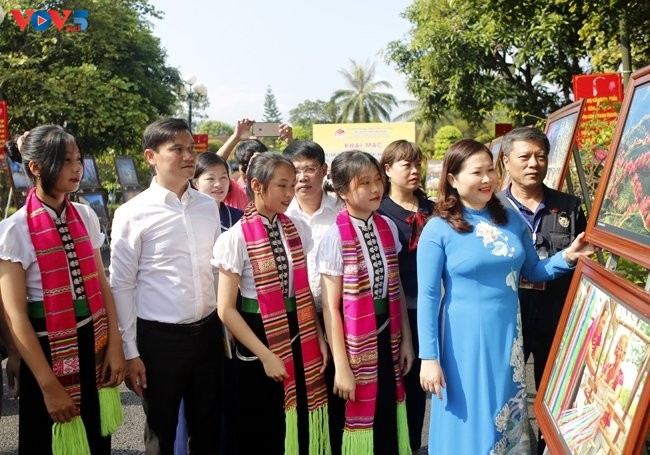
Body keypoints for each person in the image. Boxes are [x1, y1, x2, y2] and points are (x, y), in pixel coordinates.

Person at [417, 139, 596, 454]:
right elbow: (429, 297)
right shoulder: (438, 228)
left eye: (490, 170)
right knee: (470, 414)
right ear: (452, 179)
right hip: (462, 340)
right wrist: (429, 358)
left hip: (508, 335)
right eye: (477, 172)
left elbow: (533, 271)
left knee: (504, 406)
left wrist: (568, 256)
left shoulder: (510, 219)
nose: (487, 179)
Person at [0, 126, 125, 453]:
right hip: (44, 351)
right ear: (35, 167)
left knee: (97, 440)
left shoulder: (85, 215)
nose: (76, 168)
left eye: (78, 159)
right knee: (47, 441)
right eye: (65, 160)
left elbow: (102, 285)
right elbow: (16, 317)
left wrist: (114, 345)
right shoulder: (13, 231)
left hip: (91, 344)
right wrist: (48, 385)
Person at [110, 118, 223, 453]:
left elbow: (215, 271)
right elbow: (121, 284)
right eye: (177, 149)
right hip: (159, 342)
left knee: (207, 429)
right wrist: (131, 352)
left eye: (192, 149)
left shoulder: (206, 206)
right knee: (160, 431)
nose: (189, 155)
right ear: (151, 156)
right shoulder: (133, 213)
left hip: (207, 335)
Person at [213, 152, 329, 454]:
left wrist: (318, 337)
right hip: (256, 336)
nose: (290, 194)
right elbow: (225, 309)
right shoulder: (235, 238)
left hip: (299, 333)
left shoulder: (297, 229)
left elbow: (300, 293)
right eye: (282, 186)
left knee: (297, 419)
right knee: (261, 425)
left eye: (292, 185)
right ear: (257, 185)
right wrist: (265, 356)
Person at [318, 150, 414, 455]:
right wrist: (342, 367)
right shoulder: (335, 238)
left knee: (385, 418)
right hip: (351, 342)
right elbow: (330, 308)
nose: (375, 189)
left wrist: (407, 341)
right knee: (354, 425)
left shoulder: (387, 227)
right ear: (343, 190)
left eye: (377, 180)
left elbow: (395, 290)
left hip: (387, 339)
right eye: (365, 183)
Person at [173, 152, 244, 455]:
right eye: (210, 178)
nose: (218, 184)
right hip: (196, 314)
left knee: (225, 389)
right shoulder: (186, 218)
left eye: (223, 177)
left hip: (233, 315)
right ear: (195, 181)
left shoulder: (240, 220)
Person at [378, 140, 433, 451]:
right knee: (398, 383)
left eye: (417, 164)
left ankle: (415, 443)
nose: (414, 171)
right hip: (396, 311)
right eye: (406, 165)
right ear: (387, 170)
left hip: (431, 308)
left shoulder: (433, 210)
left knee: (424, 385)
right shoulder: (380, 211)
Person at [284, 140, 343, 312]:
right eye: (295, 171)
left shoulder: (342, 211)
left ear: (324, 170)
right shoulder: (281, 215)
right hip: (296, 313)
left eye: (310, 169)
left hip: (340, 312)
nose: (302, 177)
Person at [216, 118, 293, 209]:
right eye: (245, 166)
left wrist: (290, 142)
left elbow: (297, 167)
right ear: (238, 165)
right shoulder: (232, 188)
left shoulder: (275, 187)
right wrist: (235, 137)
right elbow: (214, 164)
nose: (250, 171)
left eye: (257, 166)